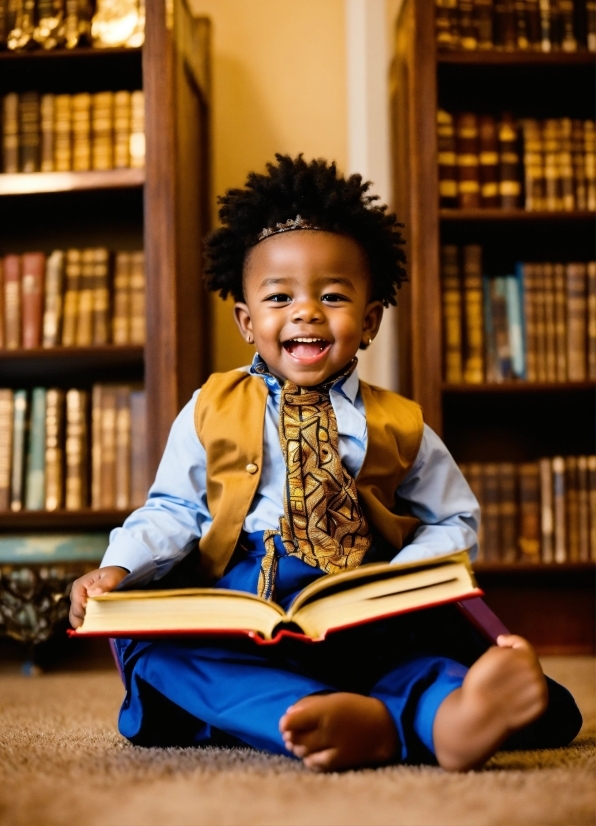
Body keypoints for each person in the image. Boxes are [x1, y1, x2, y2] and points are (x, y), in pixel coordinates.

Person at [69, 155, 581, 772]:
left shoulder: (399, 421)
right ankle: (363, 716)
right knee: (160, 656)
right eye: (280, 296)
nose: (306, 311)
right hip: (243, 608)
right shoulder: (210, 407)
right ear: (247, 321)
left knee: (417, 660)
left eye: (332, 296)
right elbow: (175, 508)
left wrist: (405, 580)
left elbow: (454, 517)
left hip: (360, 602)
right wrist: (117, 567)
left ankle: (447, 713)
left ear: (368, 322)